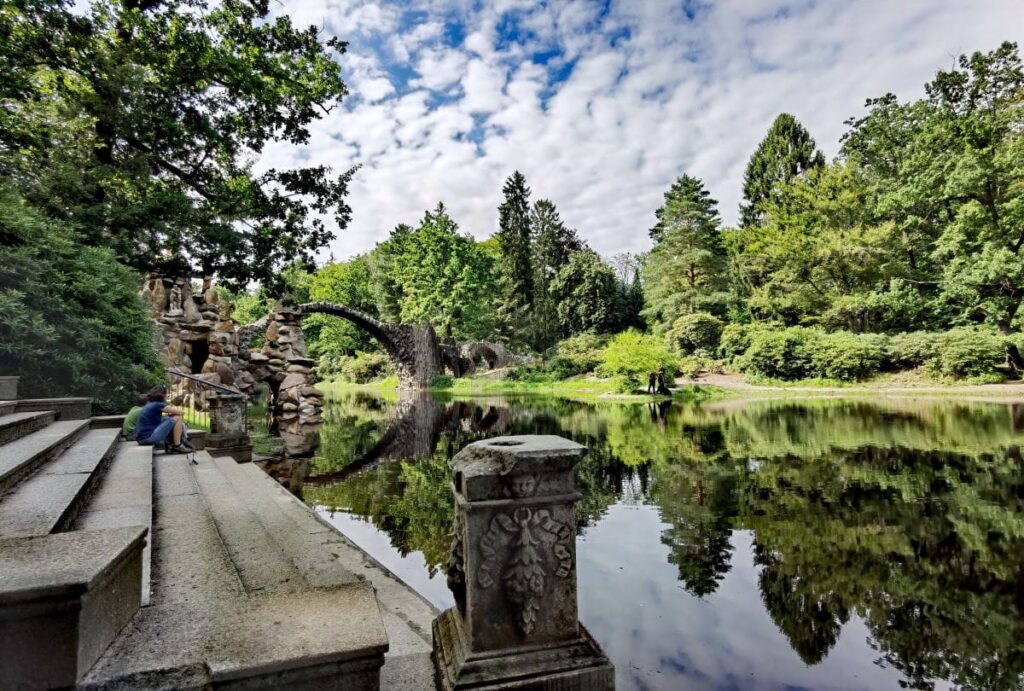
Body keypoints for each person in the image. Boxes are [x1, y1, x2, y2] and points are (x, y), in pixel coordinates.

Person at [135, 386, 192, 453]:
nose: (167, 396)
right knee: (178, 418)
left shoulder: (150, 404)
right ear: (163, 395)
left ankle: (171, 444)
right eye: (166, 394)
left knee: (168, 418)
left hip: (141, 439)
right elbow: (180, 413)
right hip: (148, 438)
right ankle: (177, 445)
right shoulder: (158, 404)